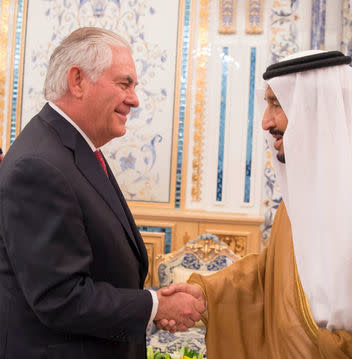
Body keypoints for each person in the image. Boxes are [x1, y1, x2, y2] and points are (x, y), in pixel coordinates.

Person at [160, 50, 352, 358]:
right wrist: (206, 293)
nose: (265, 122)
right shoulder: (303, 182)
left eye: (277, 104)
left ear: (314, 104)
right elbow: (273, 272)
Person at [0, 27, 204, 359]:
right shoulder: (39, 165)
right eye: (124, 84)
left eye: (134, 86)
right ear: (77, 80)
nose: (134, 99)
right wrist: (155, 305)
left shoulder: (73, 148)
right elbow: (60, 298)